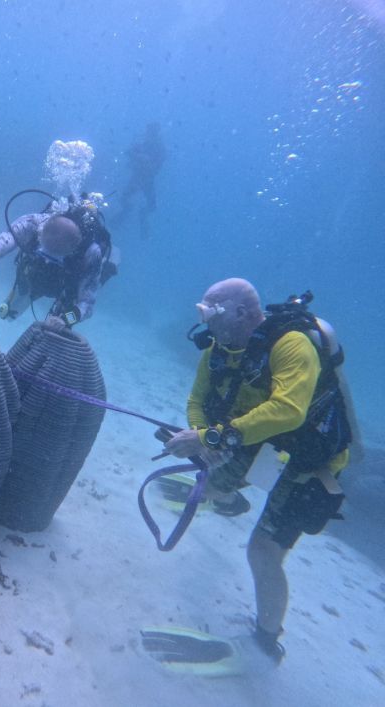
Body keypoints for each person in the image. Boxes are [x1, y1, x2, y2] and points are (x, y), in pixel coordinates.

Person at [164, 278, 353, 663]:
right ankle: (230, 500)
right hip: (255, 441)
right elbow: (198, 400)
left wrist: (214, 439)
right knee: (210, 483)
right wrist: (204, 439)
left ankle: (267, 640)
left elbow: (288, 410)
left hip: (308, 460)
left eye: (210, 312)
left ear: (243, 312)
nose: (204, 321)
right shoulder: (219, 349)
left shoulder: (292, 345)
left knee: (263, 552)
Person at [0, 202, 115, 330]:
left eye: (56, 255)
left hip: (64, 289)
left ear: (74, 248)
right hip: (30, 275)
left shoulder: (91, 253)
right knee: (6, 314)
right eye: (45, 252)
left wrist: (66, 319)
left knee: (55, 329)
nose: (47, 261)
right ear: (42, 232)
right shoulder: (34, 223)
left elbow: (86, 304)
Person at [115, 122, 166, 238]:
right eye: (150, 131)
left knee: (151, 206)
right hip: (138, 177)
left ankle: (141, 214)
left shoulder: (159, 147)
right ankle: (129, 210)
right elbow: (127, 152)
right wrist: (138, 156)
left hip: (147, 179)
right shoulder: (142, 143)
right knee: (124, 198)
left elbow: (159, 163)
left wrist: (147, 161)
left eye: (153, 131)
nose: (150, 134)